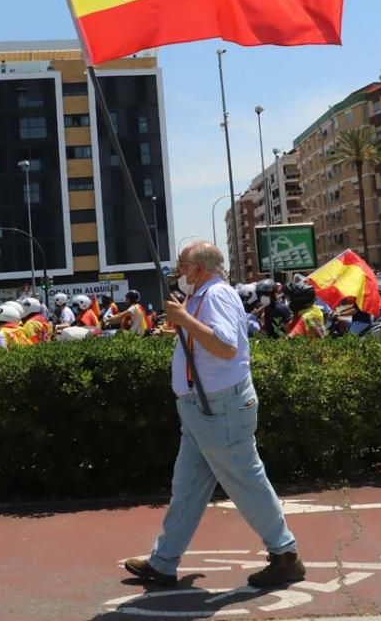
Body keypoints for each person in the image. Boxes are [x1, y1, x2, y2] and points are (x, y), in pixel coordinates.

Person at [122, 242, 304, 590]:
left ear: (199, 268)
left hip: (218, 407)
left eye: (182, 266)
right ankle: (163, 563)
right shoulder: (203, 295)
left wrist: (184, 320)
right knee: (187, 488)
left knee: (246, 482)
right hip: (201, 408)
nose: (178, 272)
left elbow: (225, 346)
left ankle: (286, 555)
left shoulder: (215, 295)